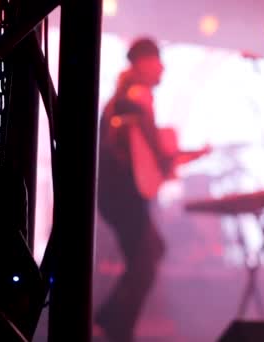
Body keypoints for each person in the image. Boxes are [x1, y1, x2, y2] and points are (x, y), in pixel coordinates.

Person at [95, 37, 169, 342]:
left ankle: (110, 321)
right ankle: (114, 327)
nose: (162, 67)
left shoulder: (125, 97)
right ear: (141, 62)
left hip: (123, 195)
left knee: (151, 254)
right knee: (145, 261)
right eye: (156, 59)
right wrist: (168, 162)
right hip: (124, 196)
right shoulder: (135, 98)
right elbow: (145, 150)